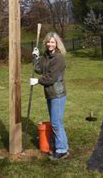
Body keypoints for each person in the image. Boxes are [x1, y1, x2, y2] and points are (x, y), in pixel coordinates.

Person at [31, 32, 69, 160]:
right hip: (50, 93)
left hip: (57, 94)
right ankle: (59, 145)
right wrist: (35, 57)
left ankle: (62, 149)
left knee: (56, 123)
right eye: (48, 42)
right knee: (56, 122)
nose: (50, 44)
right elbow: (38, 69)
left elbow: (51, 78)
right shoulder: (46, 56)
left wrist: (38, 81)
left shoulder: (58, 58)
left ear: (57, 43)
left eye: (52, 42)